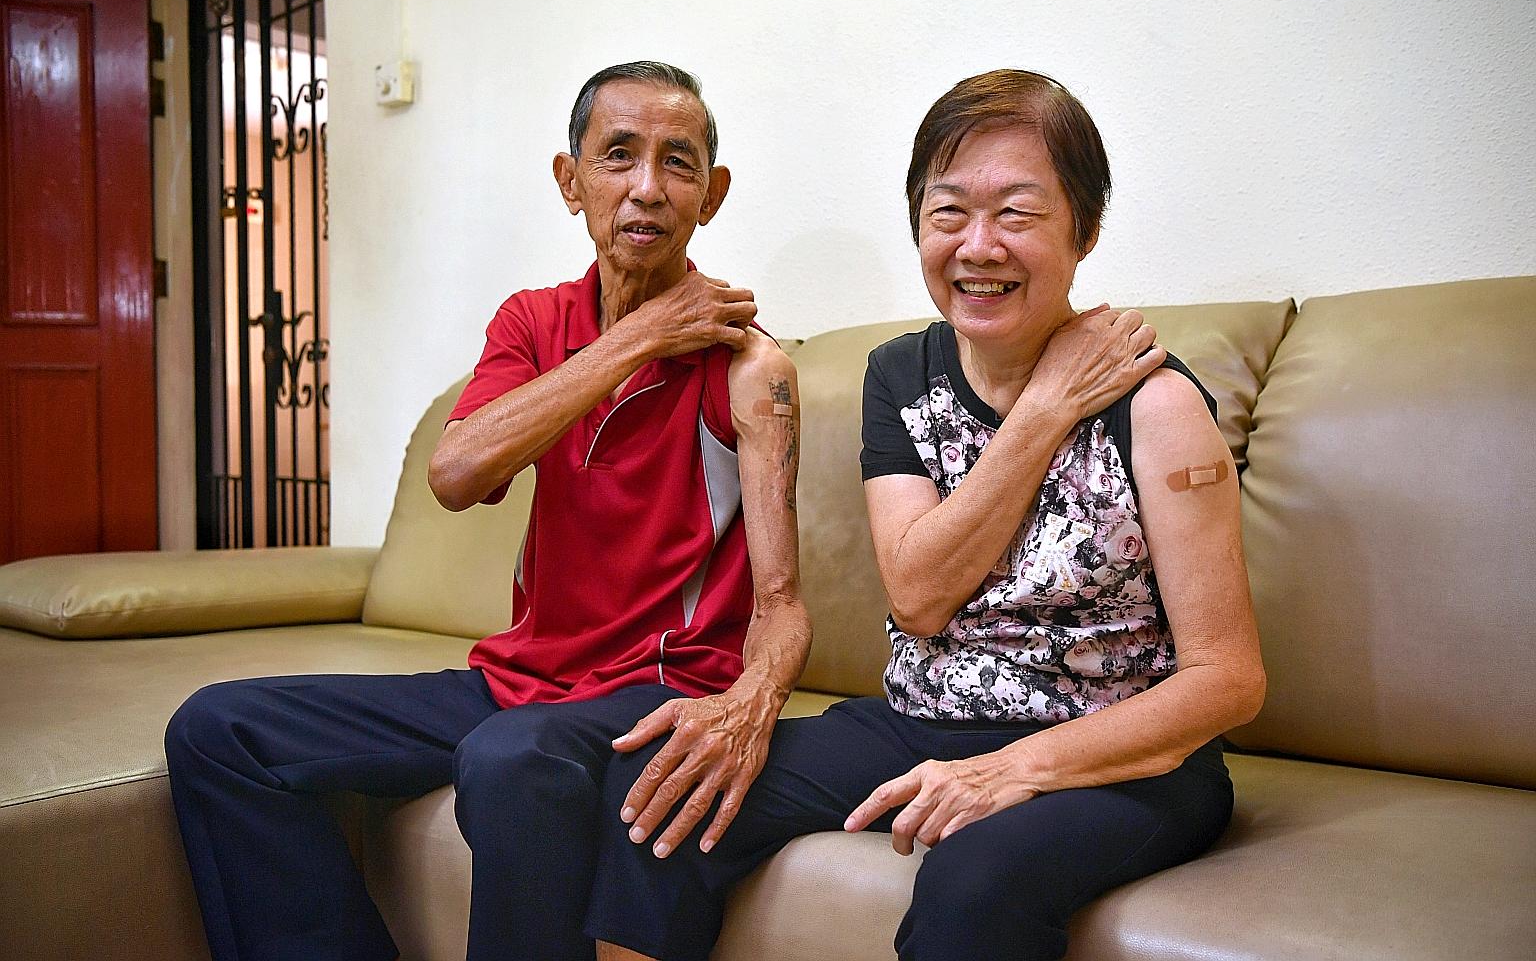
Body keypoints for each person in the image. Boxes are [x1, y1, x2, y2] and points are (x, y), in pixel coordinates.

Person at [586, 69, 1268, 961]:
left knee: (975, 875)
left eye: (1017, 214)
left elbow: (1229, 679)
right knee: (662, 796)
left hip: (1124, 752)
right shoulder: (900, 377)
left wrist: (1014, 770)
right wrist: (1046, 408)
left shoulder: (1158, 404)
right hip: (918, 718)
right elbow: (919, 595)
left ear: (1085, 231)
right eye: (948, 213)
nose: (977, 246)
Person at [163, 61, 812, 961]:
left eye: (679, 163)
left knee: (508, 759)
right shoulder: (533, 321)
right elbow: (458, 470)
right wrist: (640, 336)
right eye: (617, 155)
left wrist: (749, 709)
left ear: (713, 194)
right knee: (218, 730)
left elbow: (783, 603)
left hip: (652, 695)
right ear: (569, 180)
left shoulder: (749, 366)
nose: (647, 188)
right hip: (517, 683)